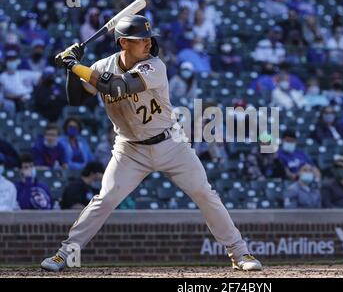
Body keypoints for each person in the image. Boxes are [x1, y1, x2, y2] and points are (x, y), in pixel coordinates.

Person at [41, 15, 262, 272]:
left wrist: (76, 65)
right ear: (123, 42)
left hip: (171, 144)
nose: (148, 43)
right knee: (105, 199)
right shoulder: (104, 65)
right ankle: (64, 254)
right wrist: (72, 66)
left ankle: (240, 253)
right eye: (140, 40)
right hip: (130, 149)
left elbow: (117, 88)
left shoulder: (155, 66)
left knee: (205, 194)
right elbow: (76, 99)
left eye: (148, 38)